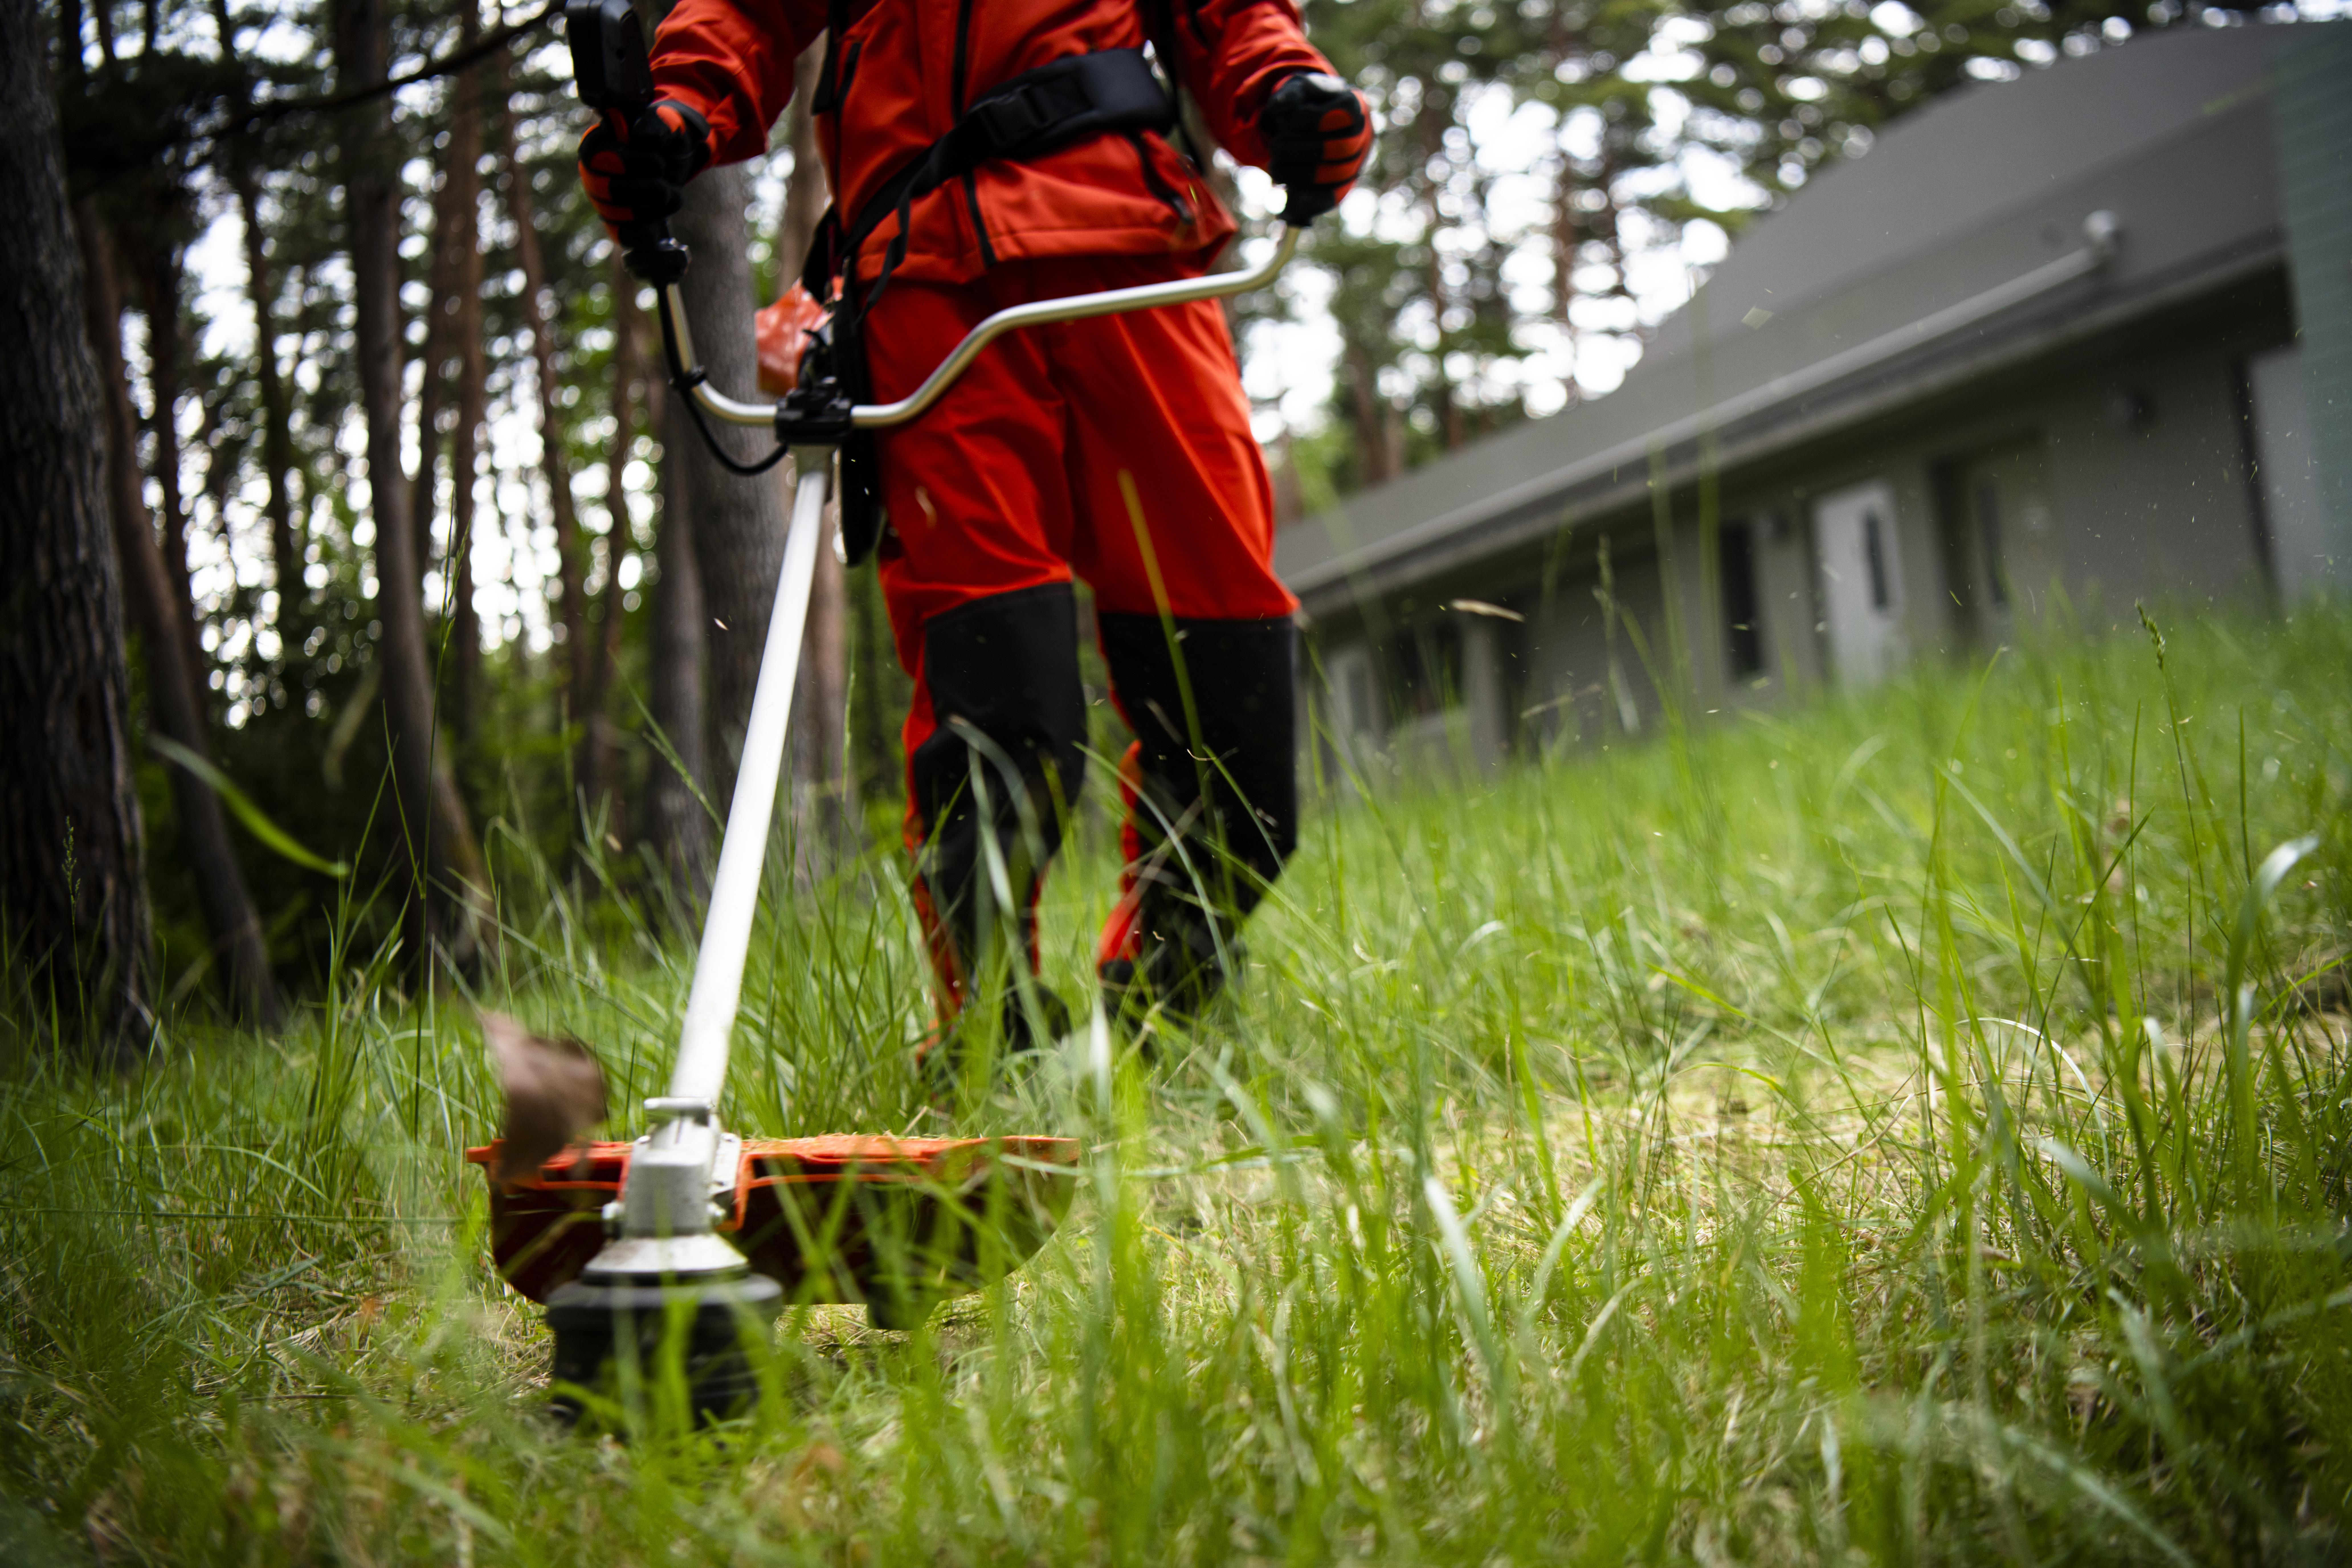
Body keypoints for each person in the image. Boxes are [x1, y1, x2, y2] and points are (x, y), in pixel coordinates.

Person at [578, 0, 1372, 1057]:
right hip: (925, 284)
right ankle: (991, 1033)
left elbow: (1232, 18)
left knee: (1223, 655)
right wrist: (672, 115)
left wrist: (1287, 94)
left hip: (1137, 251)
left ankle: (1166, 1020)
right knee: (996, 692)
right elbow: (744, 12)